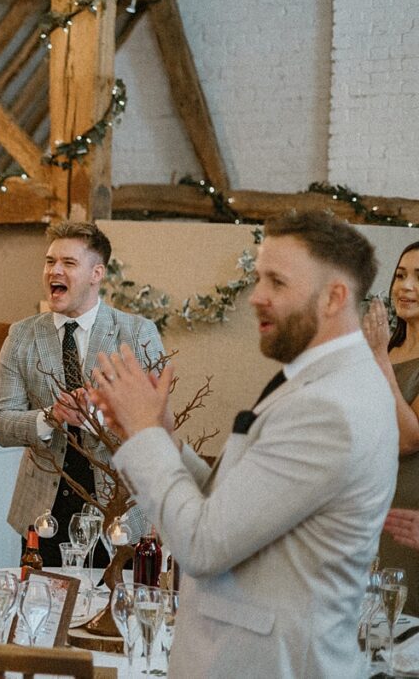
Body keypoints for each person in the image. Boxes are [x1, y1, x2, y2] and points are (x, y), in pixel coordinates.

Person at [88, 211, 398, 678]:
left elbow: (202, 543)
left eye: (276, 281)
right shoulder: (326, 382)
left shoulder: (330, 406)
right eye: (258, 278)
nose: (256, 297)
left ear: (335, 296)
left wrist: (144, 433)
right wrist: (161, 437)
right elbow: (235, 507)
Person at [0, 221, 164, 567]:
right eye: (50, 261)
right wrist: (49, 417)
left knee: (114, 610)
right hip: (42, 510)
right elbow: (0, 423)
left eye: (68, 263)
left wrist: (96, 417)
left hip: (120, 509)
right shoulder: (21, 335)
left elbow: (155, 427)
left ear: (96, 273)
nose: (54, 270)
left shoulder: (137, 333)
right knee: (44, 612)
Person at [363, 241, 419, 615]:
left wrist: (379, 357)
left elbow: (407, 438)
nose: (406, 287)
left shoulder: (379, 353)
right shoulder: (378, 349)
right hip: (366, 510)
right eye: (400, 275)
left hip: (409, 517)